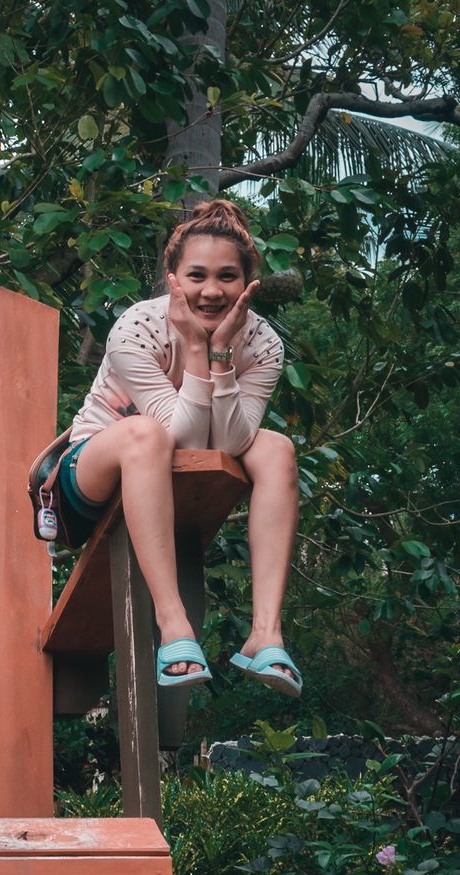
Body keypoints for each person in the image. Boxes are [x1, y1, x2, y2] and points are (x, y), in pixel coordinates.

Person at [61, 198, 301, 696]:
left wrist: (220, 354)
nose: (211, 291)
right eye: (196, 276)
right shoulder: (136, 328)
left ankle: (265, 634)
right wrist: (196, 347)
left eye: (226, 277)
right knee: (148, 434)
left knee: (276, 448)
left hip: (179, 469)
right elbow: (183, 440)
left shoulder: (262, 344)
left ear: (248, 283)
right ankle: (176, 629)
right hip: (91, 474)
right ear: (172, 278)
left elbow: (231, 441)